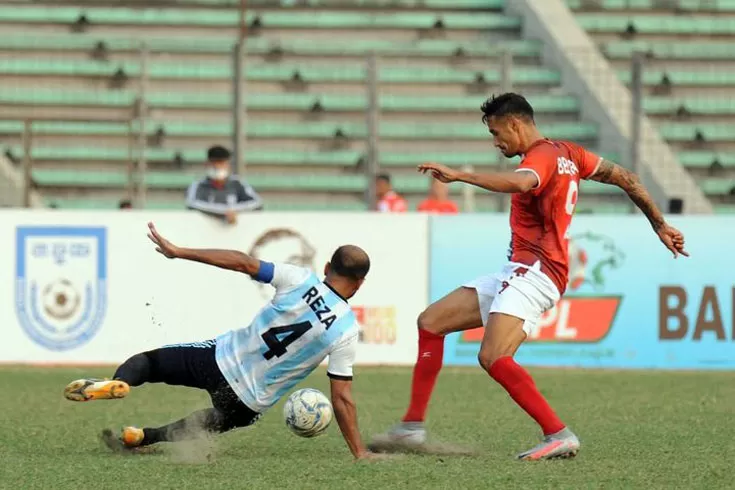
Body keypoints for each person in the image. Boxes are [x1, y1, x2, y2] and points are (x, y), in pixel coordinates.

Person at [370, 93, 688, 460]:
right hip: (519, 270)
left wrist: (460, 176)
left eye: (496, 132)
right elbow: (627, 178)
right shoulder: (571, 154)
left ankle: (558, 433)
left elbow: (522, 184)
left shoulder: (541, 157)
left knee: (493, 356)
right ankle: (411, 428)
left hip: (537, 272)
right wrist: (660, 224)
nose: (495, 141)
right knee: (431, 322)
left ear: (515, 124)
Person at [63, 222, 381, 460]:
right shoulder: (345, 330)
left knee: (150, 363)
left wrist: (181, 252)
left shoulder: (299, 278)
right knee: (212, 421)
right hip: (249, 400)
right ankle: (143, 438)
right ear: (361, 283)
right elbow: (341, 397)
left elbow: (241, 261)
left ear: (327, 267)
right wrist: (360, 451)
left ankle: (119, 382)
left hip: (218, 360)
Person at [186, 145, 263, 225]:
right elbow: (192, 203)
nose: (217, 166)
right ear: (207, 164)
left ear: (228, 165)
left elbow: (257, 203)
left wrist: (234, 211)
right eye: (214, 163)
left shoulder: (238, 183)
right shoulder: (198, 185)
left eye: (221, 163)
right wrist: (224, 212)